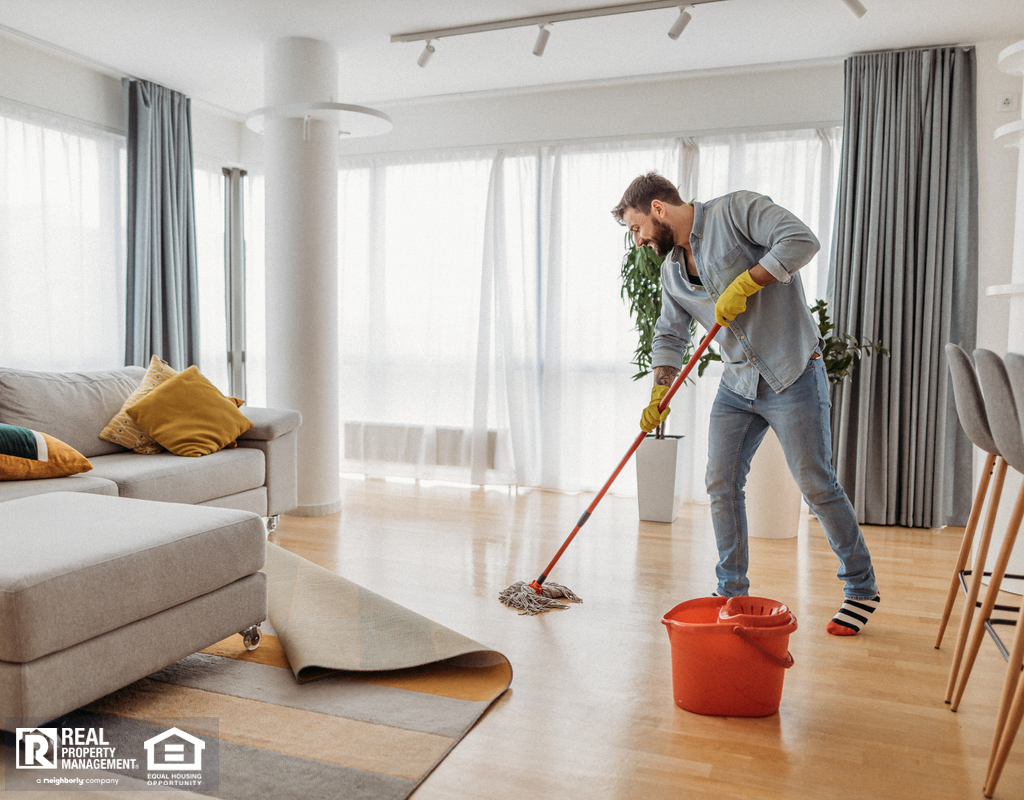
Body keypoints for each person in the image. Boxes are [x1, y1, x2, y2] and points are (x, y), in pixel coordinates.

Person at [612, 172, 880, 636]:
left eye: (635, 228)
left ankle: (860, 587)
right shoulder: (673, 269)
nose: (637, 242)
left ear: (657, 209)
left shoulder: (735, 211)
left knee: (817, 484)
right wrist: (660, 389)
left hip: (792, 369)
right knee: (721, 482)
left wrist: (748, 282)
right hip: (738, 383)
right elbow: (670, 334)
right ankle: (731, 590)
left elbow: (801, 240)